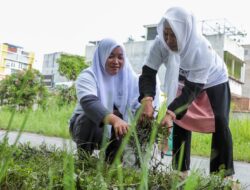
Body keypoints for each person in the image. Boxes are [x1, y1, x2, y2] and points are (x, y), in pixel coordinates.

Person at [138, 6, 234, 177]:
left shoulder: (201, 49)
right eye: (165, 33)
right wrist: (147, 100)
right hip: (182, 78)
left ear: (185, 31)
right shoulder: (160, 43)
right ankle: (181, 171)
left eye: (173, 34)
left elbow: (191, 90)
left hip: (213, 79)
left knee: (220, 121)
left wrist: (169, 113)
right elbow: (148, 72)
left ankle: (222, 175)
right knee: (180, 120)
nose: (168, 39)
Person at [69, 38, 141, 163]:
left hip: (113, 130)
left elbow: (139, 100)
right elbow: (89, 103)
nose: (116, 62)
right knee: (88, 117)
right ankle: (83, 160)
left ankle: (111, 163)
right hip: (86, 128)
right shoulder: (88, 75)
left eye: (120, 57)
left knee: (124, 119)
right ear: (102, 56)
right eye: (111, 56)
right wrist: (115, 120)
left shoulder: (127, 78)